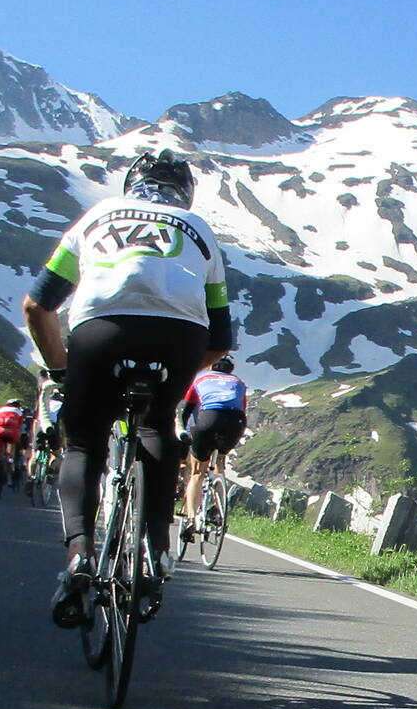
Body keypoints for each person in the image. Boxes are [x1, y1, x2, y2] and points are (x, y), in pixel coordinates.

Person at [21, 149, 232, 626]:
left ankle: (79, 554)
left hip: (101, 330)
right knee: (157, 426)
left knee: (83, 441)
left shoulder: (97, 216)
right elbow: (220, 339)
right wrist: (174, 384)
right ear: (185, 193)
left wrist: (62, 372)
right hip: (179, 337)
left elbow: (36, 306)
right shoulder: (199, 229)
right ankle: (157, 547)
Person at [177, 355, 249, 536]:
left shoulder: (200, 378)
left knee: (197, 473)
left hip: (210, 417)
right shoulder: (239, 383)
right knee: (219, 463)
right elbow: (242, 408)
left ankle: (191, 519)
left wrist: (183, 435)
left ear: (210, 366)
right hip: (236, 421)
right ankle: (218, 509)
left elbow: (186, 411)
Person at [0, 397, 32, 492]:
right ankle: (10, 459)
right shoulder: (19, 412)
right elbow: (20, 426)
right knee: (13, 443)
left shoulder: (0, 409)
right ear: (18, 406)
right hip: (12, 432)